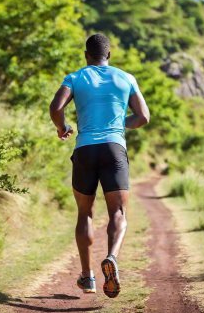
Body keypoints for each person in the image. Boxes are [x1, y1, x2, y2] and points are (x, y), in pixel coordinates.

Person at [49, 34, 150, 298]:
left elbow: (56, 107)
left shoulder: (75, 77)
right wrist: (118, 125)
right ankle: (112, 258)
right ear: (110, 55)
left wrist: (64, 127)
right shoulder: (126, 78)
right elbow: (143, 117)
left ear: (86, 55)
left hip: (84, 149)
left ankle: (88, 277)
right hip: (114, 148)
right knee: (117, 212)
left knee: (85, 213)